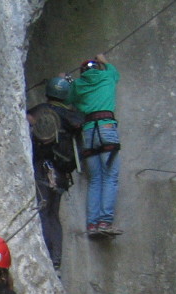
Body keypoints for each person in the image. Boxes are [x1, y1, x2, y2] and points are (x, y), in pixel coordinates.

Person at [26, 77, 85, 272]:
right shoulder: (72, 116)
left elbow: (28, 119)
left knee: (43, 211)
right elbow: (79, 123)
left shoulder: (39, 110)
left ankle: (45, 254)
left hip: (42, 167)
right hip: (60, 173)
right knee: (53, 214)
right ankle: (56, 260)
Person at [68, 53, 122, 238]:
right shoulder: (107, 75)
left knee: (96, 179)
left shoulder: (78, 85)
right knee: (110, 177)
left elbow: (70, 98)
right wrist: (103, 59)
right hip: (107, 128)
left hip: (89, 132)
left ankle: (92, 224)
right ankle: (104, 222)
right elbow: (115, 73)